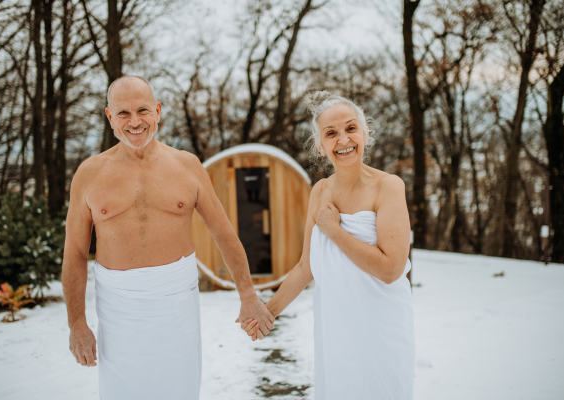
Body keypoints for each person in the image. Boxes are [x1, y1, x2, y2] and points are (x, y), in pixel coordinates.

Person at [61, 75, 274, 400]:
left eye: (143, 110)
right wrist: (77, 323)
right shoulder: (90, 173)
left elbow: (223, 233)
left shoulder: (187, 166)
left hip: (177, 303)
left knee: (179, 391)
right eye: (123, 113)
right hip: (119, 309)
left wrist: (247, 295)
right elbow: (75, 252)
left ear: (158, 111)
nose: (135, 122)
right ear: (109, 117)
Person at [242, 90, 415, 399]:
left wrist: (335, 232)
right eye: (331, 133)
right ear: (320, 146)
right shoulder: (320, 191)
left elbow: (391, 269)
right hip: (335, 325)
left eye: (351, 128)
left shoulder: (388, 187)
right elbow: (305, 267)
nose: (343, 140)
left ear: (365, 133)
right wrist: (267, 314)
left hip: (380, 327)